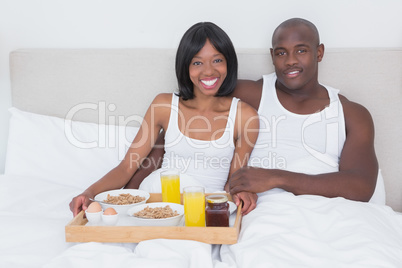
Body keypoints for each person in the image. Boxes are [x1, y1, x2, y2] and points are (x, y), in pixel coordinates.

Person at [125, 18, 378, 211]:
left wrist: (275, 177)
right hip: (263, 212)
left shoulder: (351, 113)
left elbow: (362, 187)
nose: (290, 60)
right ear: (272, 56)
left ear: (319, 52)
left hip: (334, 212)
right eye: (281, 52)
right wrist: (130, 190)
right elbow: (177, 127)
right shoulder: (250, 93)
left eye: (301, 50)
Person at [69, 22, 259, 217]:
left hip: (199, 206)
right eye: (197, 62)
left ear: (229, 62)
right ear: (185, 67)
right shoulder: (164, 105)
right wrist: (89, 193)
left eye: (217, 60)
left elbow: (234, 180)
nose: (208, 71)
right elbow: (127, 167)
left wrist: (240, 194)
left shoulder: (245, 116)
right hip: (156, 202)